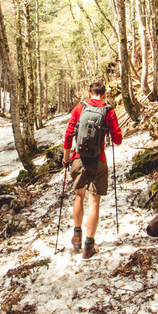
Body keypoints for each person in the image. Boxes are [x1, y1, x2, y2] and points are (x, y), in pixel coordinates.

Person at [62, 80, 122, 258]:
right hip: (98, 161)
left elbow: (68, 133)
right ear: (104, 95)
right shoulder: (108, 111)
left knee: (79, 195)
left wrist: (66, 158)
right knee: (94, 202)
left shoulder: (79, 108)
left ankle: (77, 235)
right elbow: (118, 139)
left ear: (89, 94)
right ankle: (89, 246)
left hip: (78, 159)